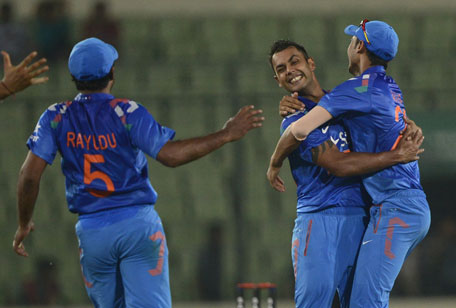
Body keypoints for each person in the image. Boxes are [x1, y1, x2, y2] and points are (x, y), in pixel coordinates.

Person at [12, 37, 264, 308]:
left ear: (73, 77)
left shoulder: (55, 116)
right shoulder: (126, 112)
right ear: (112, 73)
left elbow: (29, 176)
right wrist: (225, 134)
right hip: (137, 226)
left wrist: (24, 222)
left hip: (92, 232)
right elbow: (171, 155)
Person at [268, 20, 431, 308]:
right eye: (281, 69)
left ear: (311, 63)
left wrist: (274, 163)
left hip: (364, 216)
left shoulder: (347, 99)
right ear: (278, 81)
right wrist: (275, 161)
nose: (290, 70)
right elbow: (336, 163)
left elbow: (383, 123)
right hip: (320, 219)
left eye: (294, 62)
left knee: (362, 302)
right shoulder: (295, 115)